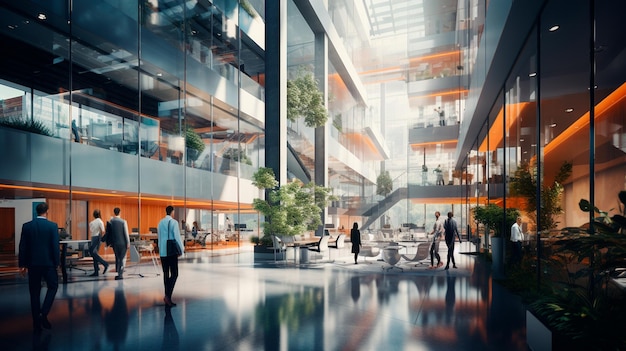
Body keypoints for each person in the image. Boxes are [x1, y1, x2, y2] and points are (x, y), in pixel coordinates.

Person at [18, 202, 60, 331]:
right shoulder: (52, 226)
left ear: (36, 211)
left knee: (34, 292)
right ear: (46, 211)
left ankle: (36, 321)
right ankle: (44, 313)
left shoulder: (27, 226)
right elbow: (55, 247)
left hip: (33, 265)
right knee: (53, 287)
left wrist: (22, 265)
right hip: (48, 264)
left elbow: (23, 247)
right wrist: (56, 263)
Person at [158, 205, 185, 307]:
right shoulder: (174, 222)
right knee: (174, 274)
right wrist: (181, 249)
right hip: (171, 252)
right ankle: (168, 295)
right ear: (172, 212)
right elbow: (177, 237)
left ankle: (167, 296)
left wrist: (160, 250)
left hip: (163, 252)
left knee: (166, 274)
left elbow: (159, 237)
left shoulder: (160, 222)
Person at [108, 207, 130, 280]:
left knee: (117, 257)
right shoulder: (123, 221)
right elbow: (126, 233)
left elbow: (109, 233)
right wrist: (128, 242)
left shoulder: (111, 221)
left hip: (115, 243)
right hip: (123, 243)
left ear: (114, 212)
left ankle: (118, 272)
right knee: (122, 258)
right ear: (120, 212)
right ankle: (120, 274)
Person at [88, 209, 109, 276]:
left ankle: (97, 269)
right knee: (94, 254)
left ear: (93, 215)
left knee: (93, 253)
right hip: (97, 238)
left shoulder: (91, 223)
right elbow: (103, 231)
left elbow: (91, 230)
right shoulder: (100, 221)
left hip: (93, 238)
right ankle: (104, 265)